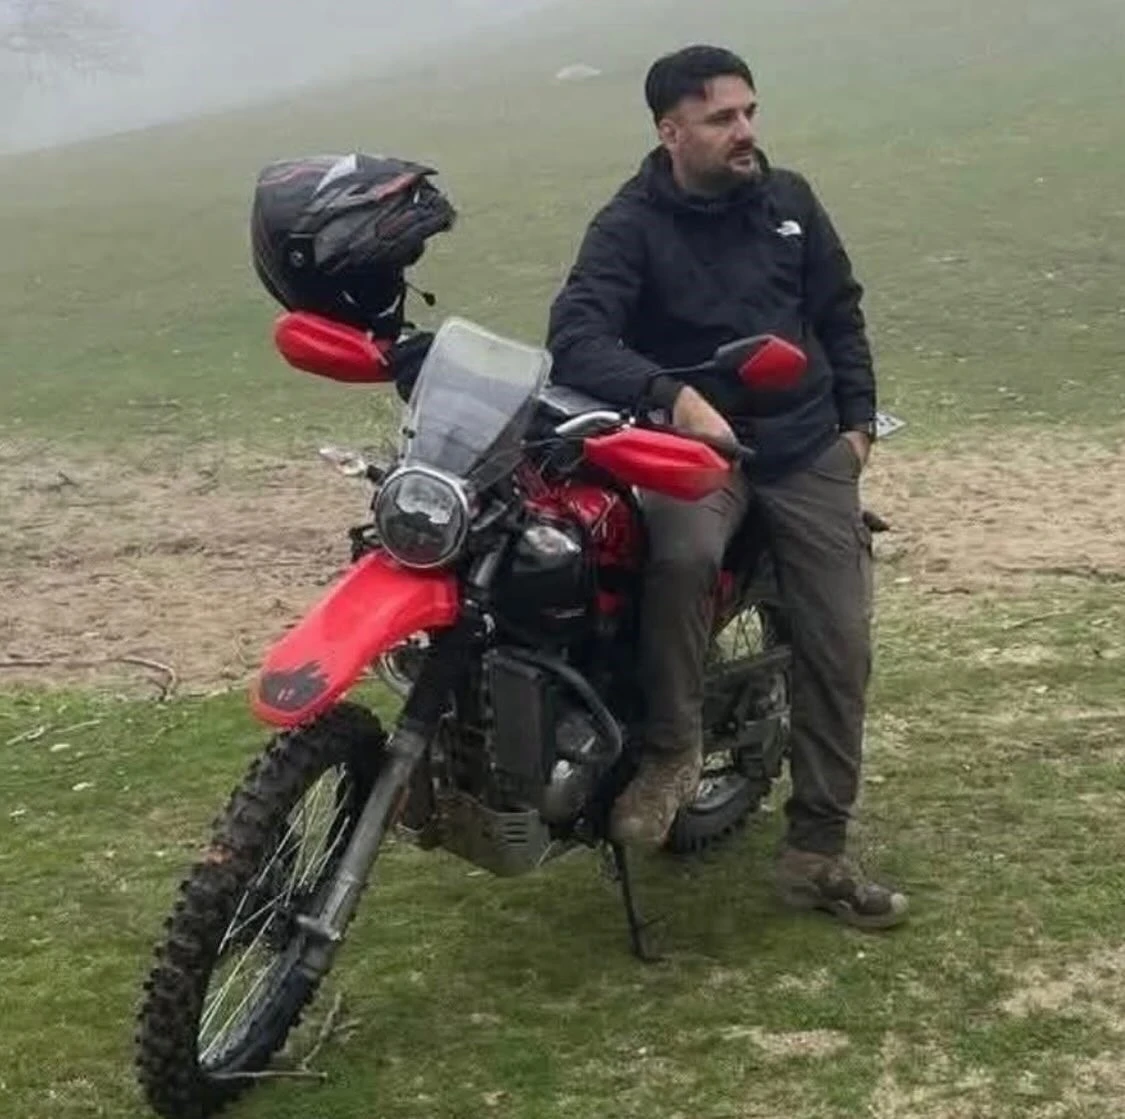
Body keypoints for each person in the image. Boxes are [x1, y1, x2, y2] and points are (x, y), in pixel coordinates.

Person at [545, 45, 908, 929]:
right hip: (696, 452)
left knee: (839, 641)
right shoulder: (628, 224)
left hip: (806, 443)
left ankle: (817, 849)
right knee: (681, 560)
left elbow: (839, 313)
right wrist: (671, 396)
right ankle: (672, 751)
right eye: (720, 118)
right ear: (670, 132)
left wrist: (857, 425)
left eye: (748, 112)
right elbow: (575, 336)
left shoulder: (790, 203)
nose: (745, 131)